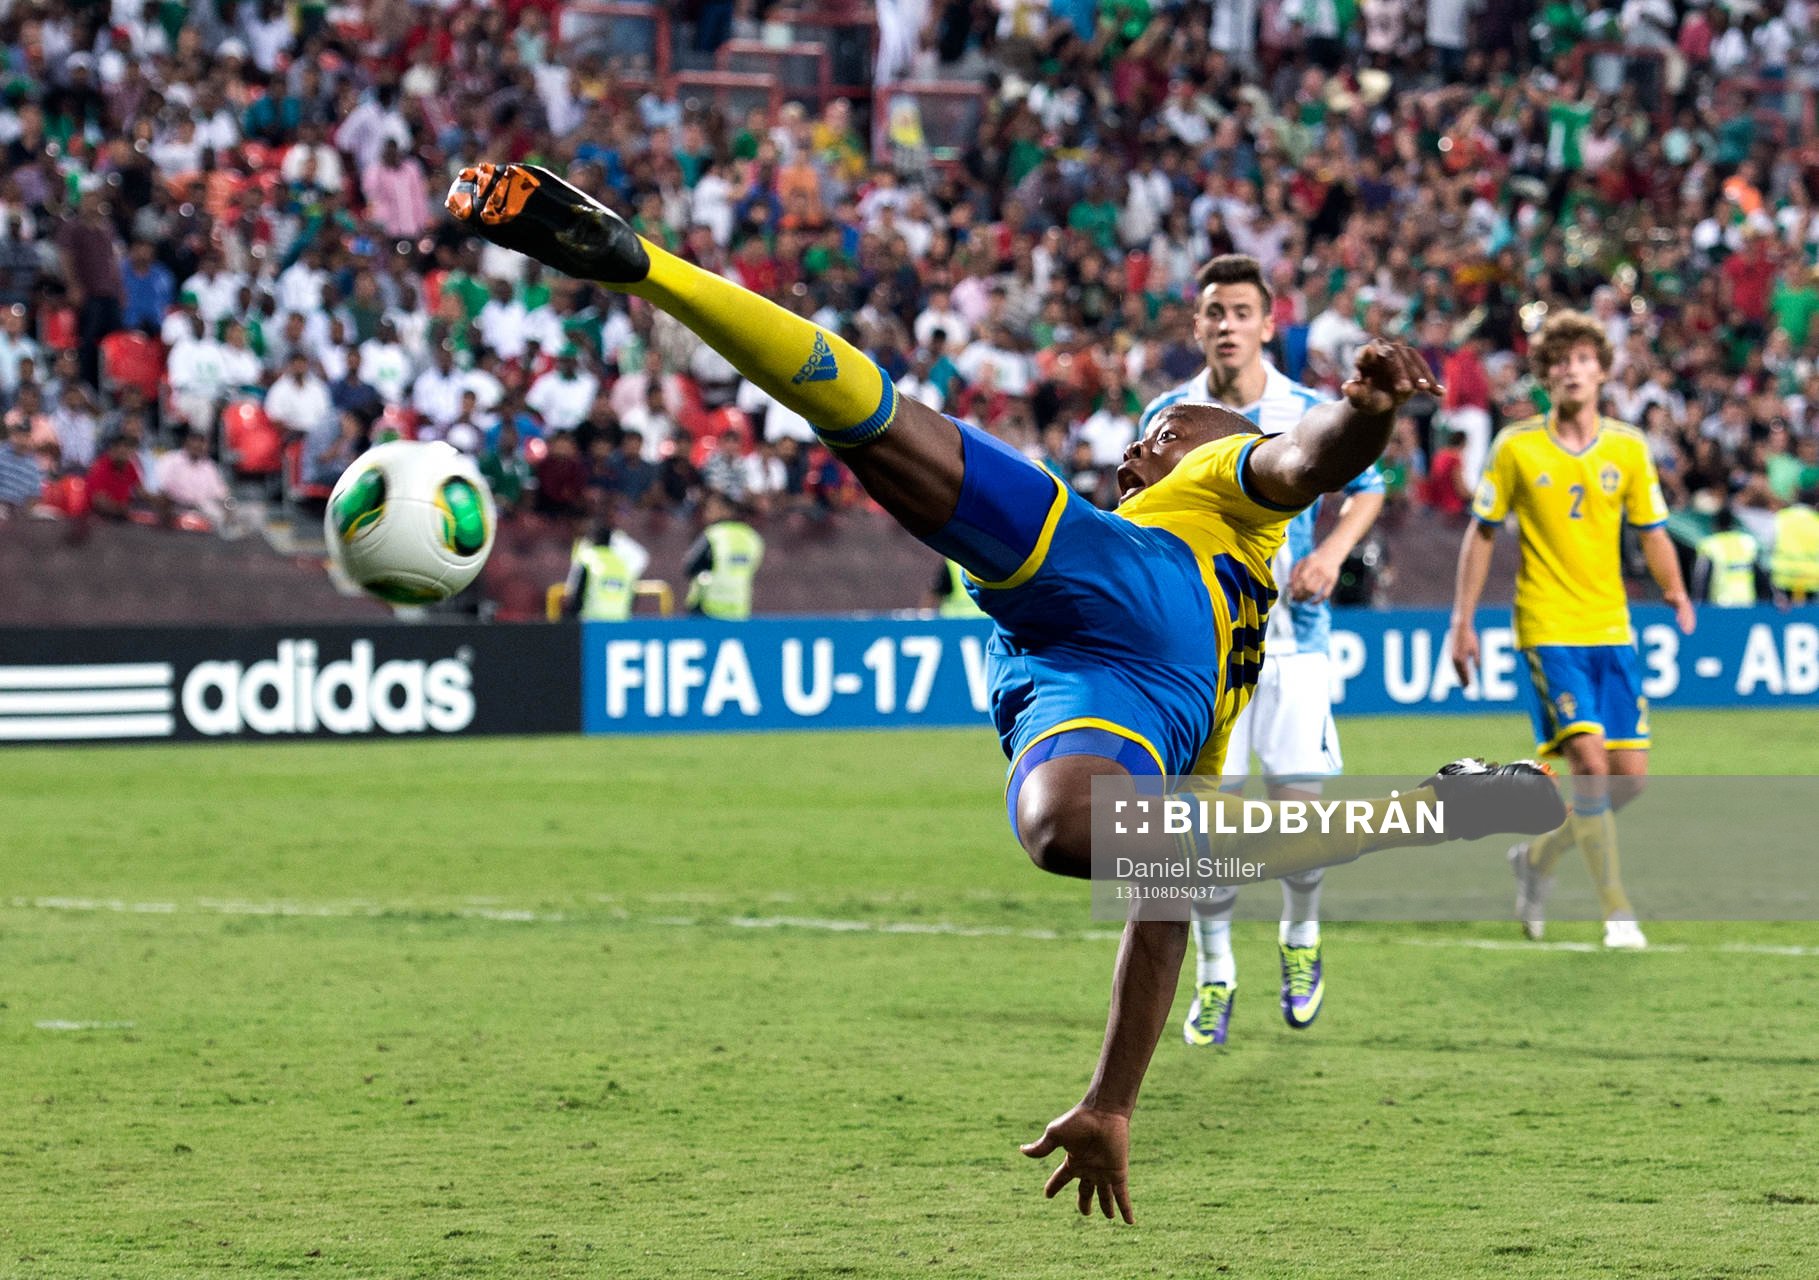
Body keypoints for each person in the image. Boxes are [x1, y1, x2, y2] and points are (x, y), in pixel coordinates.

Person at [448, 162, 1564, 1223]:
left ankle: (649, 268)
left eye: (1157, 437)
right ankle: (640, 262)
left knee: (886, 431)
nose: (1138, 449)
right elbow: (1164, 886)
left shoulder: (1224, 481)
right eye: (1140, 440)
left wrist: (1366, 411)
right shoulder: (1165, 547)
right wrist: (1115, 1097)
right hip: (1076, 670)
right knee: (1060, 807)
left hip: (1138, 599)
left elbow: (1305, 456)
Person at [1139, 254, 1385, 1048]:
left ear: (1265, 323)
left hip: (1294, 647)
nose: (1225, 325)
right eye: (1213, 311)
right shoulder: (1168, 415)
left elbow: (1372, 483)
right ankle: (1215, 974)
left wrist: (1332, 553)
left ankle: (1300, 936)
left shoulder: (1306, 406)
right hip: (1205, 651)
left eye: (1240, 311)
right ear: (1198, 324)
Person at [1449, 310, 1696, 951]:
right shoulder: (1516, 447)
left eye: (1582, 358)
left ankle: (1536, 862)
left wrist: (1674, 591)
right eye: (1558, 361)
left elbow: (1652, 531)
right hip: (1546, 625)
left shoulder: (1628, 447)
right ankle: (1617, 911)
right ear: (1545, 377)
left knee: (1629, 778)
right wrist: (1463, 621)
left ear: (1602, 370)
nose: (1570, 369)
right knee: (1588, 764)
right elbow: (1480, 533)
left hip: (1610, 626)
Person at [684, 491, 765, 619]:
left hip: (706, 608)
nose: (706, 513)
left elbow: (690, 567)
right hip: (739, 609)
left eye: (711, 508)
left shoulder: (712, 535)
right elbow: (753, 566)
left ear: (725, 510)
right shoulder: (752, 537)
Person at [564, 515, 651, 620]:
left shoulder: (588, 558)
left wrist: (569, 620)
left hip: (591, 623)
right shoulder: (624, 563)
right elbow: (632, 596)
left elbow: (577, 595)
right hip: (619, 623)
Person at [1692, 506, 1761, 607]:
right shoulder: (1747, 542)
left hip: (1719, 604)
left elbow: (1701, 579)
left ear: (1714, 525)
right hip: (1747, 602)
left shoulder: (1710, 544)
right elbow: (1760, 574)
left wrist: (1698, 603)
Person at [1767, 486, 1819, 605]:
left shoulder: (1781, 518)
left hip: (1784, 578)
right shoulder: (1817, 521)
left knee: (1786, 618)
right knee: (1809, 619)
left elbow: (1770, 543)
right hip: (1811, 580)